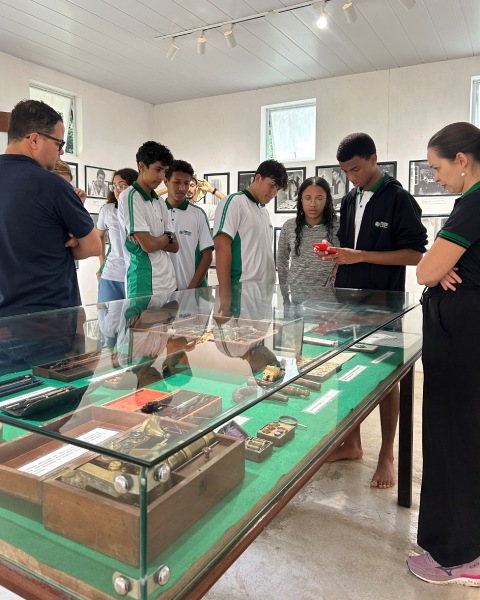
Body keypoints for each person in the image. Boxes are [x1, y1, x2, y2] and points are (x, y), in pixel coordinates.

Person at [319, 132, 427, 489]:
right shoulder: (350, 199)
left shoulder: (398, 198)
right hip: (347, 301)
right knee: (345, 369)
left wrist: (360, 256)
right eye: (346, 172)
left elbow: (415, 255)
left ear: (373, 159)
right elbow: (350, 248)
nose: (352, 177)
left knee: (385, 379)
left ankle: (387, 455)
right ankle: (350, 442)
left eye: (356, 169)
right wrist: (337, 255)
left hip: (384, 305)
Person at [407, 122, 480, 586]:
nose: (435, 177)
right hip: (465, 339)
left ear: (462, 160)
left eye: (437, 167)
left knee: (455, 441)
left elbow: (425, 271)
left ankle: (457, 556)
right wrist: (443, 268)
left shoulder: (473, 203)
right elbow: (437, 268)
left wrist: (439, 267)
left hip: (461, 343)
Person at [0, 99, 101, 317]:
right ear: (35, 140)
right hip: (48, 315)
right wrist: (68, 241)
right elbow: (94, 246)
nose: (61, 152)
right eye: (59, 144)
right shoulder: (52, 185)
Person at [214, 159, 288, 290]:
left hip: (266, 289)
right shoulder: (234, 202)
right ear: (258, 178)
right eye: (271, 186)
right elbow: (221, 247)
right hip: (242, 289)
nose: (274, 193)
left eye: (277, 189)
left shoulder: (263, 210)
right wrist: (224, 292)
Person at [117, 141, 178, 299]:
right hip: (143, 281)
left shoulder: (159, 201)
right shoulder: (130, 197)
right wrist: (167, 236)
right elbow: (148, 245)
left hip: (168, 279)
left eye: (165, 171)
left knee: (171, 316)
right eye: (157, 169)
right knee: (143, 317)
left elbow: (175, 246)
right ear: (142, 166)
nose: (162, 177)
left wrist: (158, 239)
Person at [277, 176, 339, 293]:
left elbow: (347, 256)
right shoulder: (289, 226)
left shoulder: (339, 225)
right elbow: (282, 261)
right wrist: (285, 293)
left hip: (329, 297)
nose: (313, 204)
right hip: (296, 295)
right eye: (308, 198)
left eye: (319, 199)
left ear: (327, 200)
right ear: (301, 199)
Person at [164, 160, 214, 290]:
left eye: (186, 183)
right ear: (166, 182)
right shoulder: (156, 211)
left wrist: (190, 291)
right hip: (162, 290)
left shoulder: (198, 214)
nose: (182, 188)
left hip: (192, 290)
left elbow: (207, 256)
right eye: (177, 182)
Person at [97, 167, 138, 302]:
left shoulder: (141, 210)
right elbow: (99, 236)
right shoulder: (107, 210)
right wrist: (102, 264)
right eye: (114, 186)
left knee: (135, 315)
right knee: (107, 314)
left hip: (135, 275)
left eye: (121, 186)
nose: (117, 190)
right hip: (111, 275)